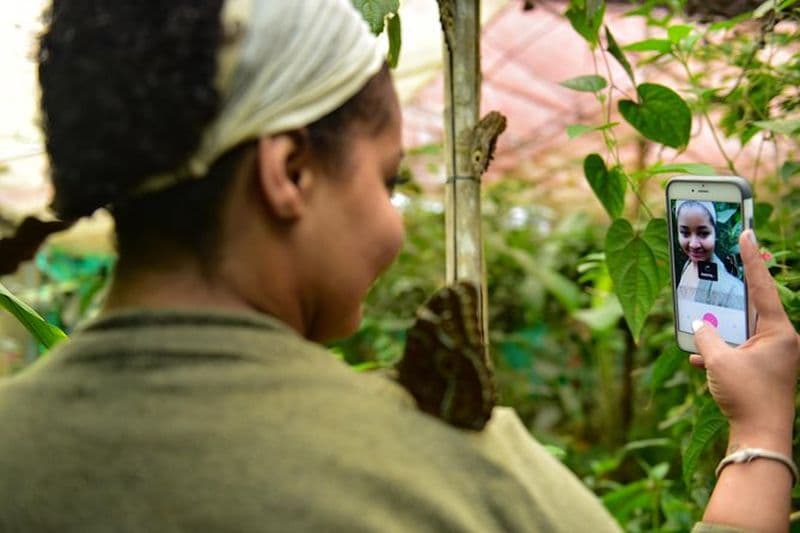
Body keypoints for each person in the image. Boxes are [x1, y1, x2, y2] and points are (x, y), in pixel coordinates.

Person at [0, 1, 796, 531]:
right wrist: (760, 428)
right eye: (387, 181)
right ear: (290, 173)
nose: (392, 220)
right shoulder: (451, 467)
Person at [676, 200, 745, 310]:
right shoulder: (688, 266)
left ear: (715, 233)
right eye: (685, 233)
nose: (693, 244)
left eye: (703, 233)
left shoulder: (732, 290)